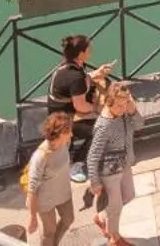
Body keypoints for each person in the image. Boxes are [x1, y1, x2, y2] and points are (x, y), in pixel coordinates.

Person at [47, 36, 113, 183]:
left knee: (105, 83)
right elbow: (80, 106)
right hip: (64, 118)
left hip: (65, 108)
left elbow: (83, 81)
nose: (91, 50)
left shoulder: (70, 65)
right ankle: (77, 163)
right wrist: (100, 109)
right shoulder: (74, 76)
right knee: (101, 128)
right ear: (81, 53)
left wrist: (98, 73)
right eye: (88, 48)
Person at [85, 82, 143, 246]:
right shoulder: (104, 125)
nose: (122, 108)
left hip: (124, 163)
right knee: (116, 204)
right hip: (109, 171)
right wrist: (95, 181)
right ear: (109, 102)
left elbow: (139, 125)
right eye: (119, 105)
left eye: (125, 103)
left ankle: (102, 217)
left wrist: (133, 110)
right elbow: (93, 155)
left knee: (129, 195)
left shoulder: (125, 114)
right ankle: (115, 238)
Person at [25, 114, 75, 246]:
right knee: (49, 232)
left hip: (63, 193)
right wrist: (33, 217)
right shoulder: (41, 156)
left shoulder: (65, 143)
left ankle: (53, 244)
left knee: (69, 219)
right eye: (69, 132)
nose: (72, 134)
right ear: (60, 134)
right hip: (45, 200)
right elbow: (32, 189)